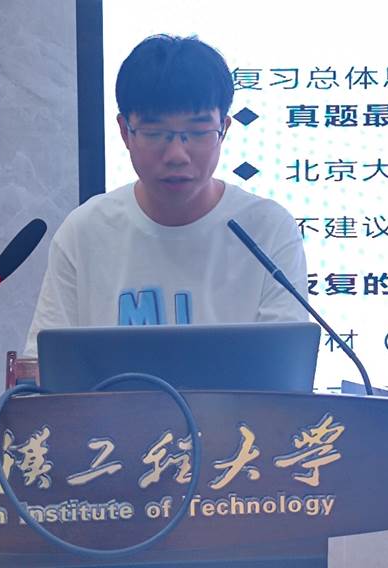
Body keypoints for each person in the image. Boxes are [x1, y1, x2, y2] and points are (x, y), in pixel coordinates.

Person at [24, 34, 308, 357]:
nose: (176, 155)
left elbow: (283, 373)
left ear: (224, 130)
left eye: (198, 133)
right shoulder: (84, 231)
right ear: (124, 132)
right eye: (155, 133)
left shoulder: (268, 230)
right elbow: (40, 370)